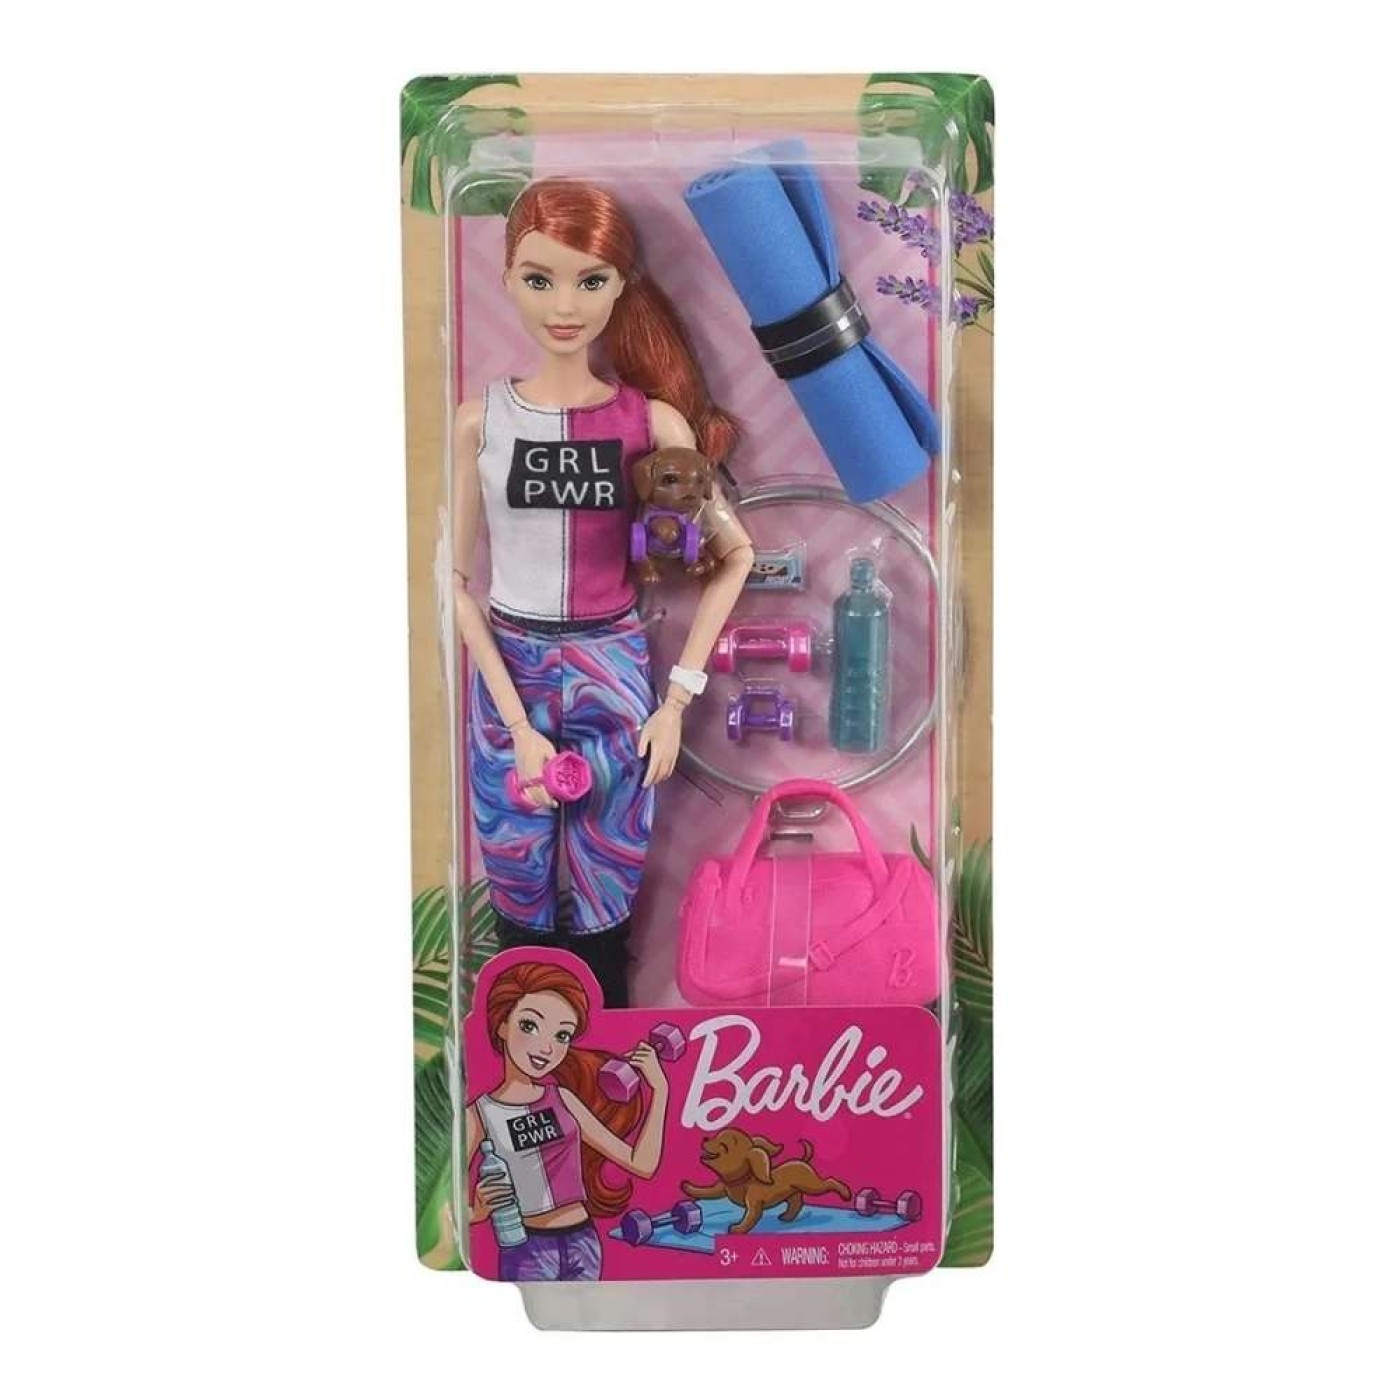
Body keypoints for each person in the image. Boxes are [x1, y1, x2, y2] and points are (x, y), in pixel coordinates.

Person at [453, 178, 753, 1006]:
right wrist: (517, 725)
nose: (565, 305)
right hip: (509, 664)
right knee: (515, 874)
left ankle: (609, 1048)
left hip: (612, 668)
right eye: (539, 279)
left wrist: (677, 699)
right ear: (507, 279)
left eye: (590, 281)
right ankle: (516, 1052)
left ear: (621, 286)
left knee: (605, 881)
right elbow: (453, 583)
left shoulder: (651, 423)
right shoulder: (481, 423)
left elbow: (736, 555)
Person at [467, 960, 669, 1282]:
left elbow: (641, 1163)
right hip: (526, 1246)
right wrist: (477, 1211)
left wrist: (660, 1090)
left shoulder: (563, 1099)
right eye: (529, 1026)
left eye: (562, 1035)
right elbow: (443, 1208)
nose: (547, 1048)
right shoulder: (481, 1113)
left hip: (582, 1239)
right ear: (502, 1025)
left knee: (594, 1312)